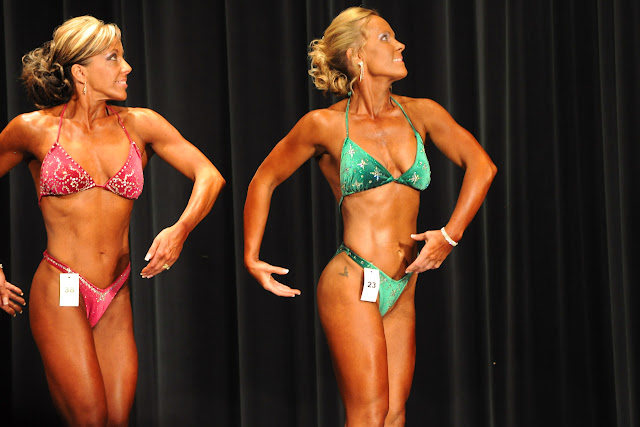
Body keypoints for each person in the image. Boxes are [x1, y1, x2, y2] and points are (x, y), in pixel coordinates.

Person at [244, 7, 496, 426]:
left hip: (403, 283)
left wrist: (449, 236)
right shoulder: (323, 125)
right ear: (356, 54)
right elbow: (264, 179)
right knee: (369, 414)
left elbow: (482, 166)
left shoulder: (422, 113)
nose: (399, 45)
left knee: (394, 415)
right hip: (352, 278)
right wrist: (252, 257)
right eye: (385, 38)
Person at [0, 15, 225, 425]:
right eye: (114, 58)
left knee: (117, 421)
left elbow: (209, 176)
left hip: (115, 292)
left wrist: (180, 230)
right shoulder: (33, 129)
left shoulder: (140, 124)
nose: (127, 67)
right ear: (80, 72)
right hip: (62, 287)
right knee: (90, 418)